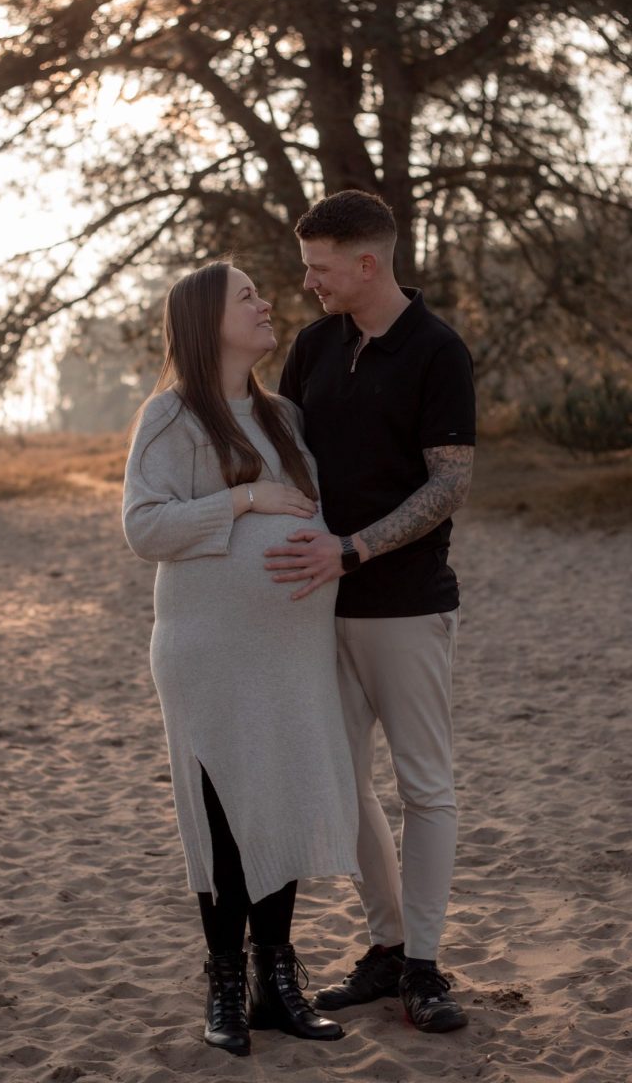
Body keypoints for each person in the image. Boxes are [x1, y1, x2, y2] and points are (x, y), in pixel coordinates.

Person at [122, 260, 361, 1057]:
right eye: (247, 297)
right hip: (210, 651)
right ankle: (225, 982)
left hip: (289, 649)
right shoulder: (171, 417)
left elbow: (320, 510)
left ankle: (276, 982)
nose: (266, 305)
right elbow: (145, 527)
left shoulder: (284, 415)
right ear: (204, 321)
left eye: (262, 293)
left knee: (281, 799)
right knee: (225, 809)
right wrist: (247, 499)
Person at [264, 190, 476, 1034]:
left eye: (319, 268)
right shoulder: (313, 348)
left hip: (405, 606)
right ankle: (386, 947)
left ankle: (424, 964)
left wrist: (352, 549)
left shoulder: (437, 351)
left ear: (368, 263)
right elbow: (285, 466)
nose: (308, 282)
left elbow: (450, 482)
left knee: (425, 785)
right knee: (344, 787)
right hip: (317, 609)